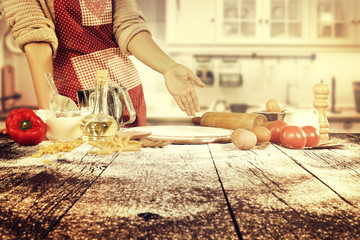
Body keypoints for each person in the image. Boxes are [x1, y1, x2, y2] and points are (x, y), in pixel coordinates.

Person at [0, 0, 205, 134]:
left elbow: (129, 25)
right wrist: (51, 114)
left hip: (127, 93)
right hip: (76, 102)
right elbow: (36, 38)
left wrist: (168, 67)